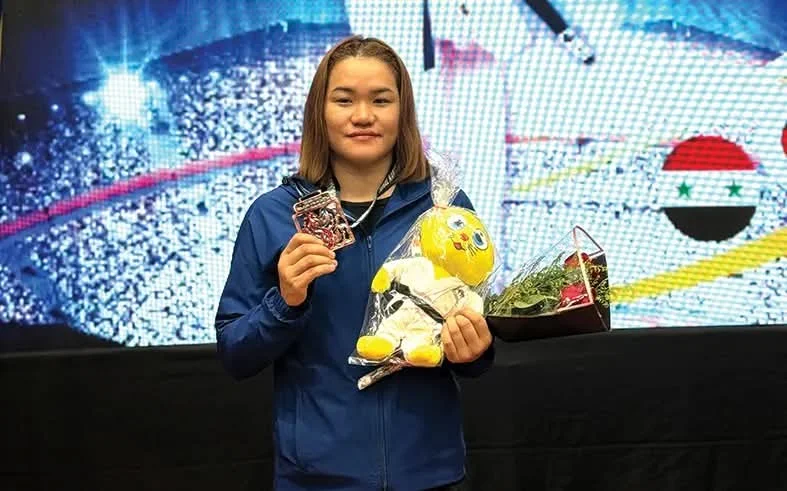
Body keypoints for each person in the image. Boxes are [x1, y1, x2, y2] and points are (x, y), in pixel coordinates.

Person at [214, 35, 495, 490]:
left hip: (430, 474)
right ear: (319, 112)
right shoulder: (273, 215)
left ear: (403, 111)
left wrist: (475, 351)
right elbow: (235, 354)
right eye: (344, 100)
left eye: (381, 100)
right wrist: (285, 302)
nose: (363, 116)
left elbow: (474, 344)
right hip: (317, 479)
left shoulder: (445, 209)